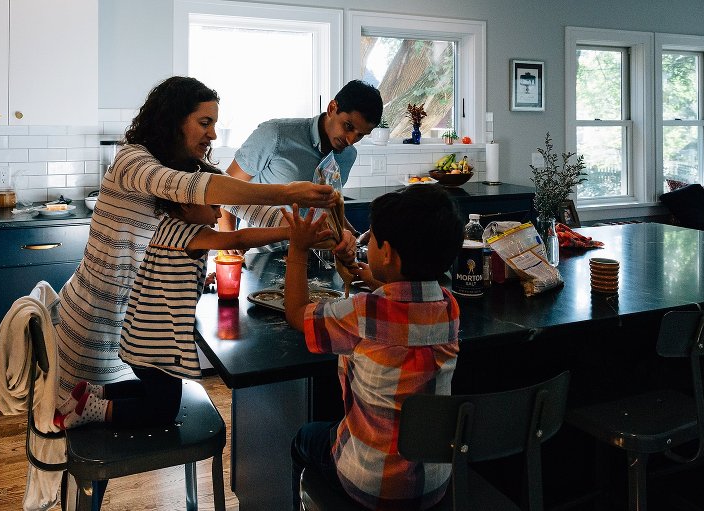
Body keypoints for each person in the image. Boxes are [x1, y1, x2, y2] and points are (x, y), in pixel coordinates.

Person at [54, 76, 337, 406]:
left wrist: (321, 235)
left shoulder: (189, 168)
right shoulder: (131, 159)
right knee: (77, 426)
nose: (213, 134)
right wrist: (287, 192)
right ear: (173, 121)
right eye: (205, 123)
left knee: (126, 418)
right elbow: (187, 186)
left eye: (214, 124)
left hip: (134, 323)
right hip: (92, 317)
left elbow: (253, 209)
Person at [54, 168, 301, 429]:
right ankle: (94, 411)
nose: (219, 213)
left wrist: (197, 280)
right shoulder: (194, 232)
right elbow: (238, 237)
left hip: (137, 338)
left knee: (151, 389)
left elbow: (166, 268)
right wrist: (289, 233)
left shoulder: (167, 227)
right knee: (163, 409)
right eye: (214, 206)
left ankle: (92, 393)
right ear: (186, 204)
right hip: (157, 346)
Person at [281, 184, 464, 511]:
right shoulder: (448, 306)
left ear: (388, 253)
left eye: (372, 241)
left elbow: (296, 314)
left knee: (305, 439)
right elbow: (408, 301)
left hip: (371, 484)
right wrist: (379, 280)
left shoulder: (364, 312)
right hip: (435, 484)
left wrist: (297, 249)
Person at [219, 79, 384, 254]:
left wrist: (355, 237)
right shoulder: (275, 135)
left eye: (360, 135)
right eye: (348, 126)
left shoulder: (348, 155)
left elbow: (330, 206)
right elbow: (225, 190)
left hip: (311, 257)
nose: (350, 140)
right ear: (332, 108)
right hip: (261, 255)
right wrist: (229, 240)